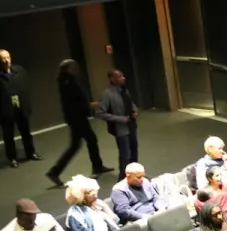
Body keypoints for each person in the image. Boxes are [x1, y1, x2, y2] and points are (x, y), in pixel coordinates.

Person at [46, 59, 109, 187]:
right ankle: (55, 171)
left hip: (76, 117)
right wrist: (89, 105)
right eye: (74, 66)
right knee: (81, 143)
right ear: (68, 68)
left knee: (84, 142)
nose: (77, 68)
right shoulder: (68, 83)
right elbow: (72, 103)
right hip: (77, 118)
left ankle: (97, 166)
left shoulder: (67, 81)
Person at [0, 49, 40, 168]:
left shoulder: (19, 70)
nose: (6, 60)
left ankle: (30, 152)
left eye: (7, 57)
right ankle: (12, 158)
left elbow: (25, 87)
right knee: (8, 135)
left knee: (26, 132)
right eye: (3, 59)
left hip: (21, 106)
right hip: (6, 110)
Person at [96, 69, 139, 174]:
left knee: (134, 152)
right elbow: (100, 113)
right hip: (121, 129)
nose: (123, 78)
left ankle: (134, 175)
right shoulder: (107, 94)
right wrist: (121, 119)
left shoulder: (124, 90)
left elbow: (130, 102)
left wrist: (135, 110)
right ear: (112, 79)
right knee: (125, 155)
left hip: (131, 125)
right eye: (119, 76)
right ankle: (123, 177)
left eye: (122, 76)